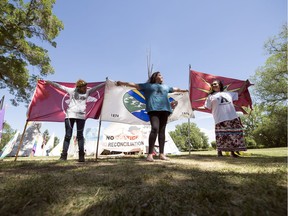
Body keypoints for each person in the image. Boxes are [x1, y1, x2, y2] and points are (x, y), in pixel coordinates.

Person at [116, 71, 188, 162]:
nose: (162, 76)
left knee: (162, 131)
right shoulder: (147, 86)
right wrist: (122, 83)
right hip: (153, 109)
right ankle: (150, 155)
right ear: (155, 77)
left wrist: (183, 90)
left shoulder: (166, 87)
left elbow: (175, 89)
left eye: (162, 75)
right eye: (159, 75)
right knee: (154, 129)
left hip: (165, 110)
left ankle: (162, 154)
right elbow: (133, 85)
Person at [46, 79, 104, 162]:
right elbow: (60, 87)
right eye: (84, 87)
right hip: (70, 115)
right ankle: (63, 156)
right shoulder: (72, 91)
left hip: (81, 116)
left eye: (86, 87)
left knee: (80, 136)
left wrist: (106, 83)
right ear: (79, 87)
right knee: (68, 136)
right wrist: (49, 82)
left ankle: (81, 156)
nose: (85, 88)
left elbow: (98, 87)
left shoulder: (88, 92)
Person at [204, 79, 247, 158]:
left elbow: (239, 93)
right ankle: (219, 152)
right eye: (212, 84)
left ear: (220, 85)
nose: (213, 85)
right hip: (219, 117)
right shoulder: (210, 96)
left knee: (233, 134)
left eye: (215, 84)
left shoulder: (228, 93)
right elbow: (207, 107)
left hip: (232, 116)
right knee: (221, 135)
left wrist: (245, 84)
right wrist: (194, 107)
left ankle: (232, 153)